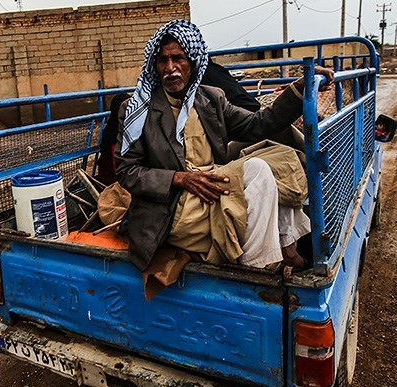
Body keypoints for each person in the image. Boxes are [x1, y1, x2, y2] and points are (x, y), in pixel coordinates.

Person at [116, 19, 333, 273]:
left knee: (280, 160)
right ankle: (259, 265)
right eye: (163, 60)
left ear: (193, 63)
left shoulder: (211, 99)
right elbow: (127, 171)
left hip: (213, 188)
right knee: (258, 171)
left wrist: (298, 89)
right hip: (171, 208)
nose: (170, 68)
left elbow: (258, 125)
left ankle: (285, 250)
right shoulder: (137, 110)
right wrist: (179, 178)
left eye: (178, 58)